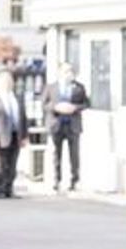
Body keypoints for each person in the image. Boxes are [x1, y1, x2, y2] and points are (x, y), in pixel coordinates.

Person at [40, 62, 89, 192]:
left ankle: (75, 180)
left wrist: (74, 108)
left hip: (73, 125)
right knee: (56, 154)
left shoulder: (79, 88)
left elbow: (86, 103)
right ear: (60, 73)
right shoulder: (51, 87)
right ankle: (57, 180)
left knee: (74, 154)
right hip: (57, 124)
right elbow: (44, 104)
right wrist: (56, 107)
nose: (68, 74)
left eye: (70, 71)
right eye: (66, 71)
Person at [0, 69, 29, 199]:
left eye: (9, 81)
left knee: (12, 164)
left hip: (15, 135)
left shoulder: (17, 98)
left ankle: (9, 189)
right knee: (1, 164)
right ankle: (1, 190)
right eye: (4, 81)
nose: (7, 84)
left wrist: (25, 136)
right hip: (0, 136)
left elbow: (23, 118)